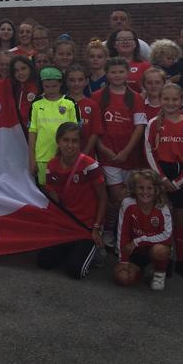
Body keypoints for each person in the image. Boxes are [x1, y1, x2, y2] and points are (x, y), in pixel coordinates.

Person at [37, 122, 107, 280]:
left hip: (86, 226)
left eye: (74, 141)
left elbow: (103, 198)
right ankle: (72, 249)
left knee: (76, 271)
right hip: (67, 225)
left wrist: (96, 228)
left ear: (80, 143)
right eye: (65, 140)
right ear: (58, 141)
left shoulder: (90, 166)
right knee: (44, 261)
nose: (70, 145)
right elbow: (55, 201)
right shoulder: (52, 165)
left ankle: (93, 250)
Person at [143, 82, 183, 280]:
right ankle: (163, 260)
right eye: (166, 99)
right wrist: (162, 179)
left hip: (181, 175)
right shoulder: (153, 123)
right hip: (159, 174)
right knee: (162, 218)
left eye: (175, 99)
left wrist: (180, 180)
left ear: (182, 100)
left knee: (181, 218)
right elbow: (149, 152)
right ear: (160, 99)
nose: (170, 102)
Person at [95, 57, 146, 241]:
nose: (117, 75)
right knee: (117, 198)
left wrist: (126, 151)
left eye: (120, 72)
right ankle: (110, 230)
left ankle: (128, 232)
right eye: (113, 72)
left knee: (130, 198)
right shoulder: (98, 97)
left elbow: (139, 127)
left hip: (130, 157)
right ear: (107, 74)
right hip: (109, 157)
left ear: (127, 73)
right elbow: (95, 130)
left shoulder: (136, 97)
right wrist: (106, 151)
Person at [114, 169, 173, 291]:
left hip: (153, 250)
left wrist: (138, 241)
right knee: (122, 278)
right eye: (141, 188)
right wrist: (123, 260)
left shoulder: (162, 207)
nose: (145, 192)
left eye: (149, 188)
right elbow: (122, 232)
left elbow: (167, 236)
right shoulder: (127, 203)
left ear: (156, 190)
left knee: (160, 251)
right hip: (134, 252)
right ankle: (143, 272)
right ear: (134, 189)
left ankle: (159, 272)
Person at [28, 68, 81, 187]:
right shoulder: (36, 104)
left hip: (66, 156)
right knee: (45, 189)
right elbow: (32, 132)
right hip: (42, 157)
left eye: (54, 86)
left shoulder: (70, 103)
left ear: (61, 84)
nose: (50, 90)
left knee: (66, 188)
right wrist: (32, 159)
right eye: (47, 86)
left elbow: (77, 133)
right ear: (42, 85)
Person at [65, 64, 100, 157]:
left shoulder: (92, 105)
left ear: (86, 81)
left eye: (80, 80)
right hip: (63, 157)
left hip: (86, 157)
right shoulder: (59, 104)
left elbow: (95, 133)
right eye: (72, 80)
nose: (76, 84)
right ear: (66, 82)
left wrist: (83, 155)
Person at [9, 55, 40, 134]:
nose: (20, 73)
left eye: (23, 68)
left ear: (30, 68)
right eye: (16, 70)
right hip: (18, 134)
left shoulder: (39, 87)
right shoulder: (14, 88)